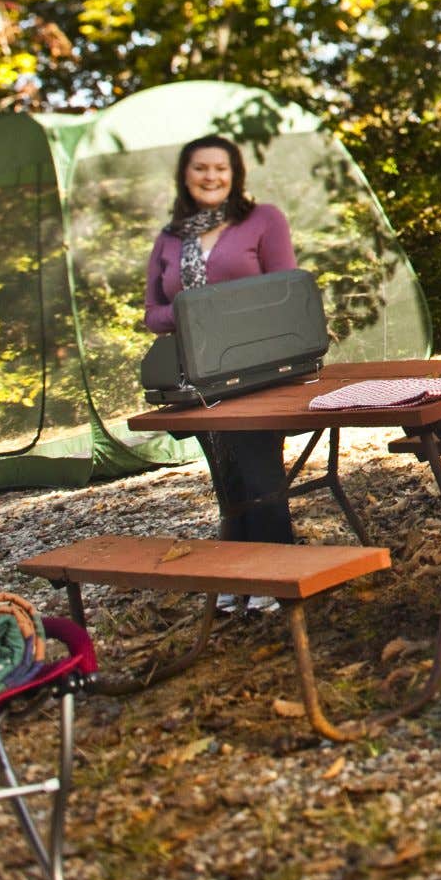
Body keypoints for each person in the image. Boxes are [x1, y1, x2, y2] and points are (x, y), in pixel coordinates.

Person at [144, 136, 299, 562]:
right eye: (200, 168)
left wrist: (220, 310)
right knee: (227, 479)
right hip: (196, 376)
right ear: (185, 176)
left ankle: (275, 566)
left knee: (258, 471)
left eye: (220, 168)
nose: (210, 176)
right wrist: (189, 313)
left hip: (256, 368)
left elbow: (285, 291)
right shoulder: (170, 238)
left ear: (234, 174)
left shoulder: (263, 219)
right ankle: (237, 568)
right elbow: (152, 312)